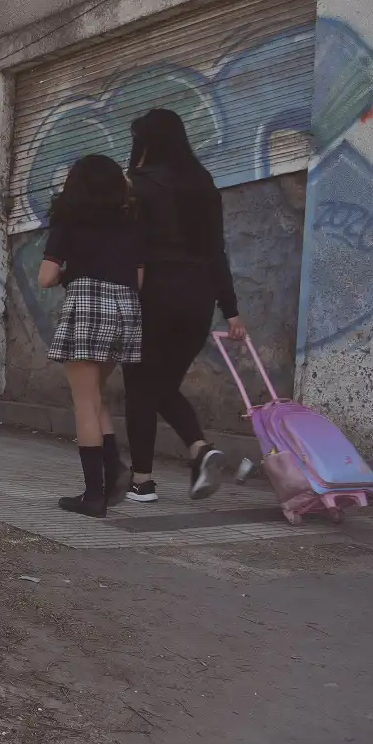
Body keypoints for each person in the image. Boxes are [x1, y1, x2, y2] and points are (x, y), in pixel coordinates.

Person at [122, 108, 246, 503]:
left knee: (140, 388)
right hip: (198, 300)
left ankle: (141, 482)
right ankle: (200, 450)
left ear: (146, 143)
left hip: (154, 295)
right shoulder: (203, 184)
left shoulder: (139, 185)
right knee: (161, 386)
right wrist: (231, 309)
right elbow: (216, 252)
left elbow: (133, 251)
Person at [40, 154, 145, 518]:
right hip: (126, 309)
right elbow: (140, 278)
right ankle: (114, 469)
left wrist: (71, 272)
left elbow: (45, 277)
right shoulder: (132, 222)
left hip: (88, 304)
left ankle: (93, 496)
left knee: (84, 403)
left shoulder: (69, 221)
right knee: (97, 397)